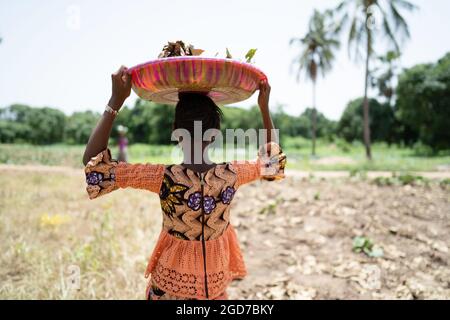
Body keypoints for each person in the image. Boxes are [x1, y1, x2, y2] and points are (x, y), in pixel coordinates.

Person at [82, 66, 286, 300]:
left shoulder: (163, 178)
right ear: (215, 133)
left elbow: (94, 165)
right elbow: (273, 162)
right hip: (214, 291)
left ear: (175, 132)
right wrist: (264, 107)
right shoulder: (231, 174)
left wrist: (115, 101)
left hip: (168, 290)